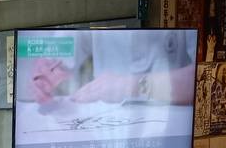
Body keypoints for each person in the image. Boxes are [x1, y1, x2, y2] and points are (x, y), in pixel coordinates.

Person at [19, 28, 196, 106]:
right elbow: (53, 58)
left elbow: (204, 79)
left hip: (169, 122)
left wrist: (130, 86)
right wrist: (41, 75)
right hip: (107, 125)